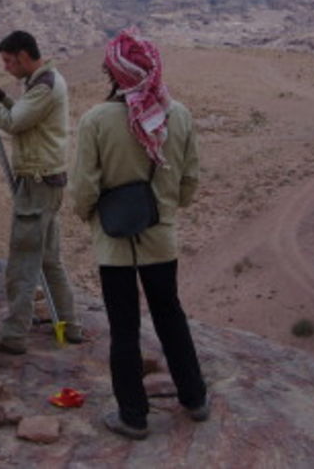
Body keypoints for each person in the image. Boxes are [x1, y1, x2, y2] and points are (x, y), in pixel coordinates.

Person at [69, 28, 210, 440]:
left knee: (124, 328)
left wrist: (93, 218)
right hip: (161, 238)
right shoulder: (178, 115)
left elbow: (83, 189)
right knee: (171, 316)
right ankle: (195, 398)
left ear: (113, 72)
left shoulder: (96, 120)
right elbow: (190, 180)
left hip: (114, 242)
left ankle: (133, 416)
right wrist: (166, 208)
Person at [0, 30, 83, 354]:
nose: (7, 67)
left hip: (38, 183)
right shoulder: (41, 82)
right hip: (47, 181)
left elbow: (14, 122)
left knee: (22, 262)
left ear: (25, 56)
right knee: (48, 259)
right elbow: (22, 112)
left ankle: (13, 334)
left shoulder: (44, 85)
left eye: (8, 61)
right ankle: (71, 324)